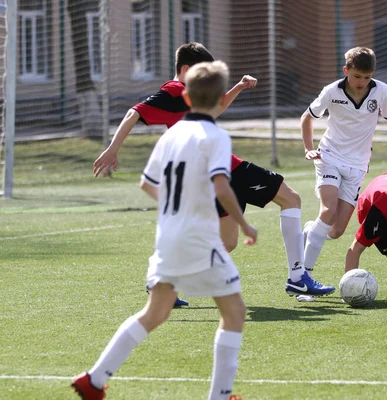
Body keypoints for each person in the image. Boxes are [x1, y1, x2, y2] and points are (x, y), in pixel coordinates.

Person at [93, 43, 334, 304]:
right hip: (226, 170)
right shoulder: (173, 91)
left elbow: (214, 111)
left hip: (215, 173)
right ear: (185, 70)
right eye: (201, 72)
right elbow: (133, 112)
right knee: (291, 198)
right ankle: (297, 277)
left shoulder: (189, 95)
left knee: (227, 242)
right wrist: (112, 149)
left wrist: (238, 88)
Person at [72, 61, 257, 400]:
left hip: (168, 236)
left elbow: (146, 183)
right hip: (199, 238)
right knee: (235, 313)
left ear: (185, 95)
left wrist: (176, 205)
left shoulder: (172, 134)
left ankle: (93, 379)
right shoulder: (215, 135)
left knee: (155, 312)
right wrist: (244, 222)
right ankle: (220, 396)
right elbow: (220, 184)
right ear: (220, 100)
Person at [301, 47, 387, 290]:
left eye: (367, 77)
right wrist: (308, 148)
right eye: (357, 76)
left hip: (357, 166)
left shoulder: (381, 90)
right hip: (329, 156)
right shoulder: (332, 91)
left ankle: (310, 231)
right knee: (327, 210)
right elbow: (307, 118)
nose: (362, 82)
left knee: (336, 231)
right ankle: (303, 278)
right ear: (346, 71)